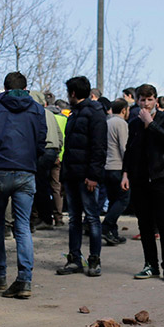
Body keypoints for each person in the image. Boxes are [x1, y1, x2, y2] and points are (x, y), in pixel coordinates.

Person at [0, 71, 46, 299]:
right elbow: (41, 141)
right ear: (26, 88)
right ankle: (25, 279)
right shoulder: (37, 109)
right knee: (23, 226)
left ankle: (0, 276)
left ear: (5, 87)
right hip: (26, 171)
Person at [121, 84, 164, 282]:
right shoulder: (134, 124)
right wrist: (126, 173)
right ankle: (151, 264)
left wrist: (151, 124)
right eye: (142, 100)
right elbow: (130, 149)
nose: (146, 104)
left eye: (149, 99)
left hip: (161, 177)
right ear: (137, 101)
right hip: (139, 179)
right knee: (144, 224)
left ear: (155, 100)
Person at [56, 76, 107, 277]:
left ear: (73, 93)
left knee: (92, 218)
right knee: (75, 219)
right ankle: (74, 259)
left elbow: (99, 147)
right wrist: (63, 178)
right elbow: (69, 148)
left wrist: (93, 175)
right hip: (72, 176)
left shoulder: (94, 113)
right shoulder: (75, 114)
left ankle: (94, 259)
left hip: (87, 177)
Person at [31, 89, 64, 229]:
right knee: (53, 186)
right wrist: (58, 151)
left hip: (43, 151)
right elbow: (59, 135)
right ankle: (53, 216)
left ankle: (44, 218)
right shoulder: (50, 114)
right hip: (53, 151)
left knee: (40, 185)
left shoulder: (35, 114)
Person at [102, 99, 131, 245]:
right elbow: (124, 148)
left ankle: (113, 233)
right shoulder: (121, 124)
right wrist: (128, 169)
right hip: (118, 167)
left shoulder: (106, 123)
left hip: (106, 166)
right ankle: (107, 226)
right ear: (124, 110)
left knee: (113, 200)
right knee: (123, 199)